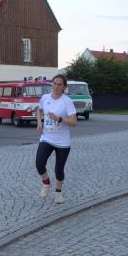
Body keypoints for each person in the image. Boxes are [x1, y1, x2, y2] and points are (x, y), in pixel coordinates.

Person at [35, 74, 77, 204]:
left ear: (64, 86)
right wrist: (39, 122)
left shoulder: (67, 101)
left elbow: (74, 122)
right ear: (51, 84)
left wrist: (59, 119)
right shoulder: (45, 97)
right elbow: (39, 110)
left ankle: (58, 193)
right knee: (39, 163)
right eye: (55, 83)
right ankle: (46, 183)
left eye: (60, 84)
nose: (57, 86)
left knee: (59, 170)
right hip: (46, 138)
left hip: (62, 142)